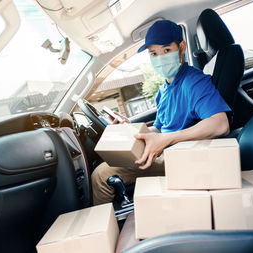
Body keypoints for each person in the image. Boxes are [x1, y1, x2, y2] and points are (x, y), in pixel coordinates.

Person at [91, 20, 231, 205]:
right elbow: (158, 129)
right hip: (167, 150)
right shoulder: (163, 91)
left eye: (166, 51)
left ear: (181, 47)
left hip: (184, 157)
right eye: (154, 54)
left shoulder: (194, 82)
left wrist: (167, 139)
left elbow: (221, 124)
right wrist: (132, 131)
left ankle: (103, 229)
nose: (160, 58)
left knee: (101, 175)